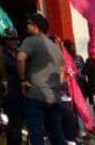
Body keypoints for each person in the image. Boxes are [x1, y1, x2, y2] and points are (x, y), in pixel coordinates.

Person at [17, 13, 66, 145]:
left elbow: (20, 58)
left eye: (28, 23)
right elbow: (62, 72)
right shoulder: (56, 48)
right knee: (56, 134)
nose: (26, 26)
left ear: (35, 26)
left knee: (36, 133)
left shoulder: (30, 41)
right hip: (55, 97)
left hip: (36, 95)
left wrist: (22, 80)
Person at [1, 28, 24, 145]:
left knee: (18, 121)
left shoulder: (19, 52)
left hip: (21, 91)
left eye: (15, 39)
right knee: (13, 121)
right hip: (10, 91)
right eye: (10, 39)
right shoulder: (2, 53)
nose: (13, 41)